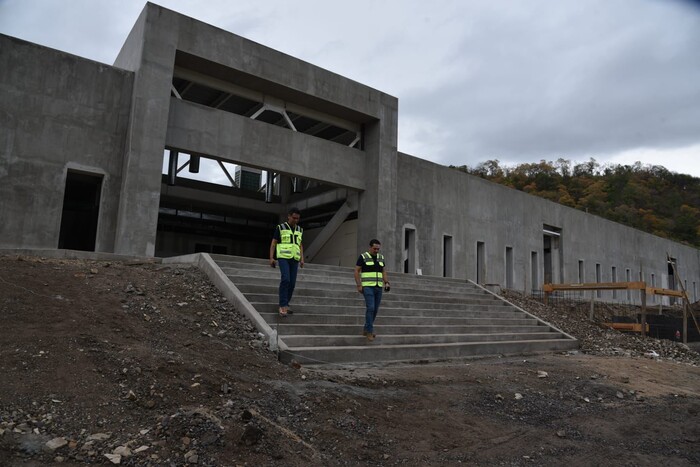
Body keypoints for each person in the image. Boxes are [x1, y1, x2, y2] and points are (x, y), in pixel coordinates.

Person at [269, 207, 304, 317]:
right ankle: (282, 305)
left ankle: (286, 303)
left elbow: (300, 244)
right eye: (294, 218)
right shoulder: (281, 227)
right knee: (286, 279)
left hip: (295, 259)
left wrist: (302, 258)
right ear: (289, 216)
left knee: (292, 283)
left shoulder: (299, 230)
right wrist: (271, 258)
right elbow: (274, 243)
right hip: (283, 257)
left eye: (297, 218)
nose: (295, 220)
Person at [354, 239, 390, 341]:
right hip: (367, 286)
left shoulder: (381, 257)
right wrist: (359, 285)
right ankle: (369, 332)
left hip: (378, 287)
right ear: (370, 247)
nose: (376, 250)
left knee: (375, 309)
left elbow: (383, 271)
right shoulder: (363, 256)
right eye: (374, 248)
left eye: (378, 249)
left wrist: (386, 282)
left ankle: (366, 329)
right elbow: (356, 271)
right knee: (371, 307)